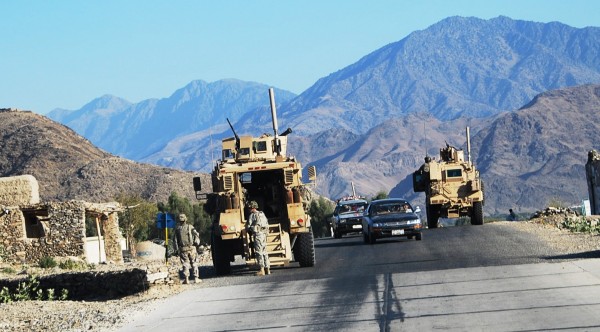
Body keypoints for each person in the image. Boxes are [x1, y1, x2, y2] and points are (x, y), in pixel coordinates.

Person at [174, 213, 201, 284]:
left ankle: (186, 279)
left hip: (183, 249)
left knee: (185, 264)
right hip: (192, 248)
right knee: (194, 263)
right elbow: (196, 234)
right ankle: (196, 278)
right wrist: (197, 243)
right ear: (185, 219)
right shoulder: (190, 227)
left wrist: (176, 250)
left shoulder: (177, 229)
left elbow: (175, 240)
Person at [247, 201, 271, 276]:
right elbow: (266, 223)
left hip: (258, 235)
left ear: (252, 207)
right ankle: (267, 269)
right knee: (264, 251)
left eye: (249, 207)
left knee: (259, 252)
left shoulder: (252, 215)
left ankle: (261, 269)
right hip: (264, 234)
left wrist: (250, 228)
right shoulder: (262, 214)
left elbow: (248, 226)